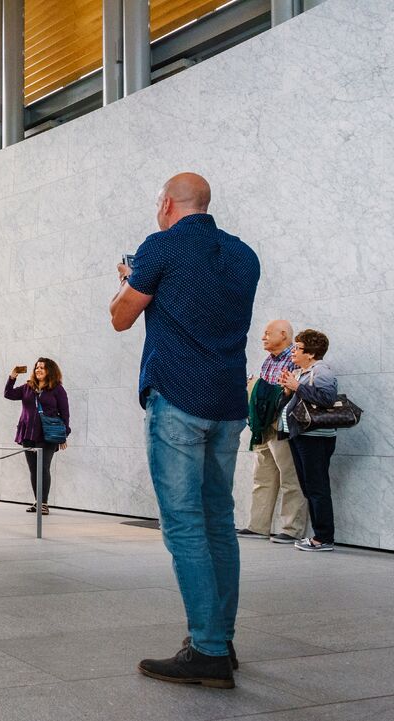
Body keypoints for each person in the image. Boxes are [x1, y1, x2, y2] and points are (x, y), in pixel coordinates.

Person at [110, 173, 260, 688]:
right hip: (227, 401)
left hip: (177, 397)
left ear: (167, 203)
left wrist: (128, 279)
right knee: (219, 518)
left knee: (184, 524)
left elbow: (121, 317)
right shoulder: (244, 255)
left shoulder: (161, 246)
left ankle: (208, 649)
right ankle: (222, 636)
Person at [237, 320, 306, 543]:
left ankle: (291, 529)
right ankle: (258, 526)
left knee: (290, 477)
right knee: (262, 477)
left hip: (282, 426)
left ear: (283, 334)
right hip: (263, 426)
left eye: (268, 333)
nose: (263, 337)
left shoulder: (295, 358)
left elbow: (290, 392)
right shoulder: (268, 361)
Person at [280, 329, 339, 552]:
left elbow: (327, 398)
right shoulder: (304, 371)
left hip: (315, 437)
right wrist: (288, 391)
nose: (293, 351)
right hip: (301, 435)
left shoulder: (321, 371)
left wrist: (298, 387)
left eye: (298, 348)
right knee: (309, 486)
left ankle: (324, 538)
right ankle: (319, 536)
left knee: (317, 487)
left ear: (311, 353)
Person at [4, 358, 70, 514]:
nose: (38, 370)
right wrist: (12, 376)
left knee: (43, 468)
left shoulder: (57, 389)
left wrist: (64, 435)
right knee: (34, 469)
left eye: (42, 368)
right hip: (28, 433)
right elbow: (8, 394)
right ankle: (37, 502)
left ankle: (44, 504)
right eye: (37, 367)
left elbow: (65, 413)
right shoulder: (28, 387)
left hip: (47, 435)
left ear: (50, 371)